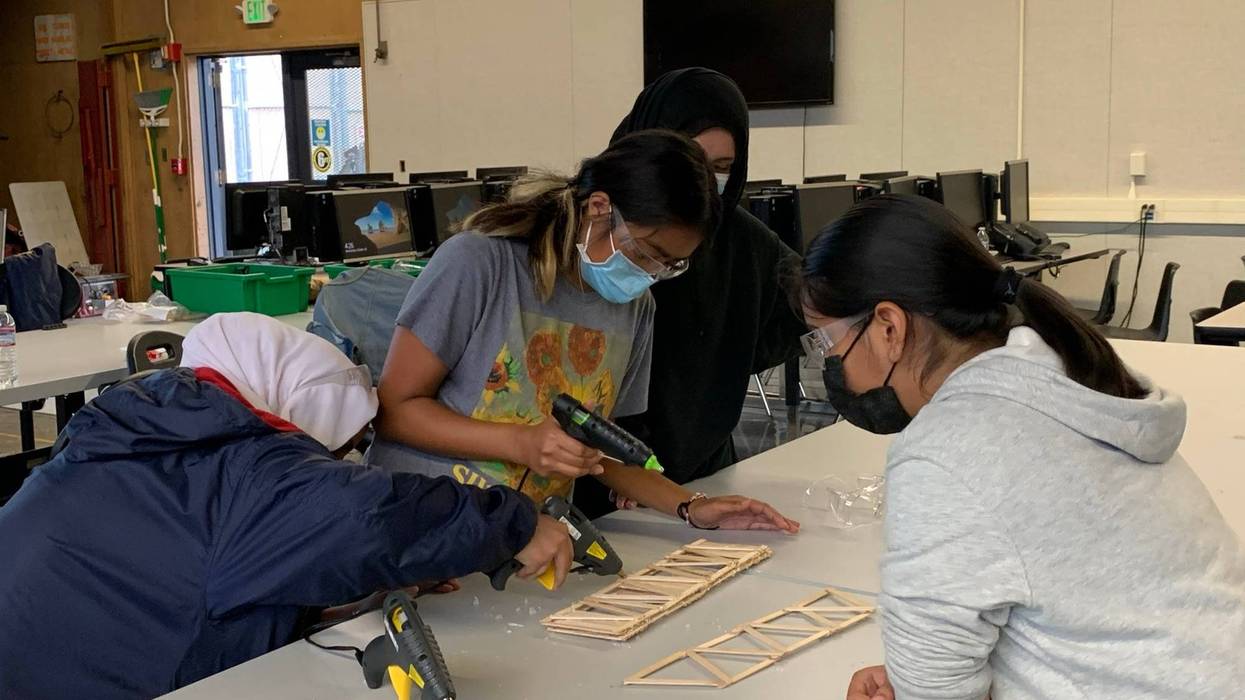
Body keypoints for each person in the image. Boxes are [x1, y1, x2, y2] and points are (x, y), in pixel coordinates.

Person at [795, 196, 1245, 700]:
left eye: (825, 340)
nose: (830, 361)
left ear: (889, 328)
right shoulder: (1054, 372)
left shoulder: (947, 450)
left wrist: (927, 678)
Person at [0, 313, 570, 699]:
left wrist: (340, 597)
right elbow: (365, 519)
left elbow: (177, 579)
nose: (345, 463)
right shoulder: (246, 471)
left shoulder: (137, 432)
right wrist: (515, 525)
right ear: (293, 416)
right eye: (339, 448)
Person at [370, 129, 798, 533]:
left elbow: (600, 452)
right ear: (599, 208)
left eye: (670, 266)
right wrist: (520, 442)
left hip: (523, 540)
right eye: (648, 253)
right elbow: (393, 410)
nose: (651, 274)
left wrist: (689, 506)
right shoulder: (480, 264)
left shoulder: (635, 308)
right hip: (421, 527)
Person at [574, 69, 806, 517]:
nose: (703, 181)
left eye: (721, 169)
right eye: (692, 158)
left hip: (698, 479)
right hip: (587, 482)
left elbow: (799, 307)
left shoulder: (742, 242)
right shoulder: (582, 241)